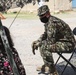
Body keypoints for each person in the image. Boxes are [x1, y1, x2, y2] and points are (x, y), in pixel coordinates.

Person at [32, 5, 76, 75]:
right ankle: (48, 66)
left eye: (42, 15)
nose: (41, 17)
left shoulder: (52, 22)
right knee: (42, 45)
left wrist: (39, 43)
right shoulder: (49, 21)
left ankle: (53, 71)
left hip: (69, 44)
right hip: (62, 42)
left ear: (48, 13)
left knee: (44, 47)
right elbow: (45, 34)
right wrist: (38, 41)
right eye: (40, 16)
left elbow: (50, 41)